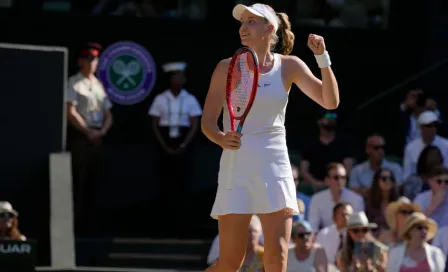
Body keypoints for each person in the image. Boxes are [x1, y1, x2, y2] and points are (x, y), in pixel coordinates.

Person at [201, 2, 339, 270]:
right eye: (242, 22)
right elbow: (208, 120)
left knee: (277, 255)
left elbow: (330, 101)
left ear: (270, 28)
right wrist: (219, 137)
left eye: (252, 21)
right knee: (230, 262)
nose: (244, 27)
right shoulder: (225, 68)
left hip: (274, 165)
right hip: (236, 166)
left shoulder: (290, 66)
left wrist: (323, 58)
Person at [66, 42, 113, 235]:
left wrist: (101, 132)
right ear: (81, 62)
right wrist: (87, 132)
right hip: (81, 137)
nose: (94, 63)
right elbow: (70, 111)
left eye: (95, 60)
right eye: (90, 59)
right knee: (79, 182)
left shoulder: (99, 85)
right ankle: (75, 226)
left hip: (98, 137)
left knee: (95, 182)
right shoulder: (74, 83)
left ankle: (92, 225)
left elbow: (109, 114)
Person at [148, 62, 202, 197]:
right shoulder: (160, 98)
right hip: (164, 139)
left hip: (184, 139)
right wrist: (164, 146)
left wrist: (184, 144)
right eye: (178, 76)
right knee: (164, 180)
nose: (181, 79)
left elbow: (195, 123)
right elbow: (154, 124)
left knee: (184, 179)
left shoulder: (190, 99)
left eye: (182, 76)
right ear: (171, 79)